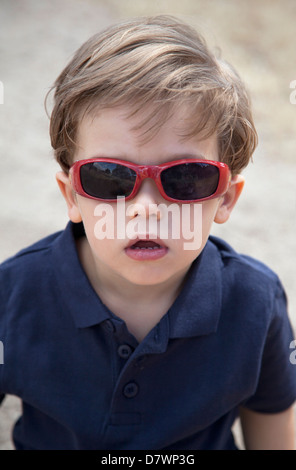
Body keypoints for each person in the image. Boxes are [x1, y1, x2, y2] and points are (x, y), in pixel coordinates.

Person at [0, 15, 295, 451]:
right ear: (72, 196)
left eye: (187, 178)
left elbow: (273, 436)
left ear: (227, 198)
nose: (146, 209)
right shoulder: (13, 295)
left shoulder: (254, 302)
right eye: (109, 177)